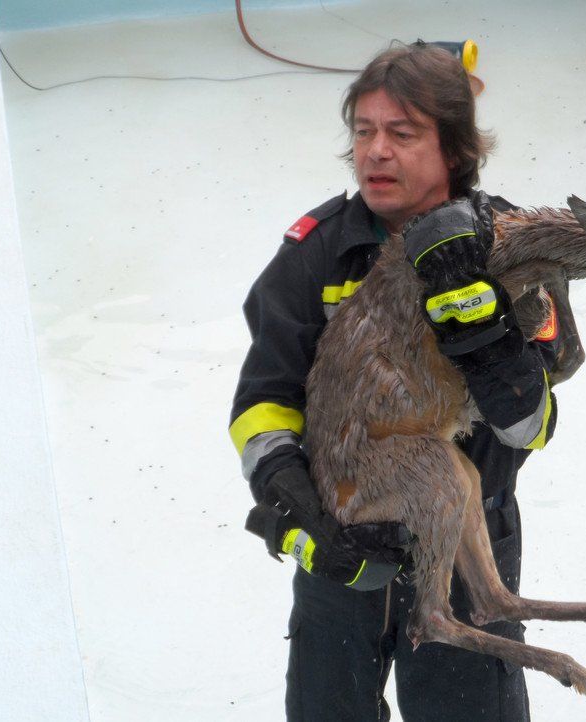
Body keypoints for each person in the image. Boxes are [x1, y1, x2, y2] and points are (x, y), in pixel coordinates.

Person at [230, 43, 567, 722]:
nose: (375, 152)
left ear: (455, 150)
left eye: (402, 134)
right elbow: (263, 403)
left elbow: (533, 427)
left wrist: (495, 358)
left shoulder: (518, 250)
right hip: (346, 554)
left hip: (470, 546)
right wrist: (291, 492)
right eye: (363, 132)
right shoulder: (314, 256)